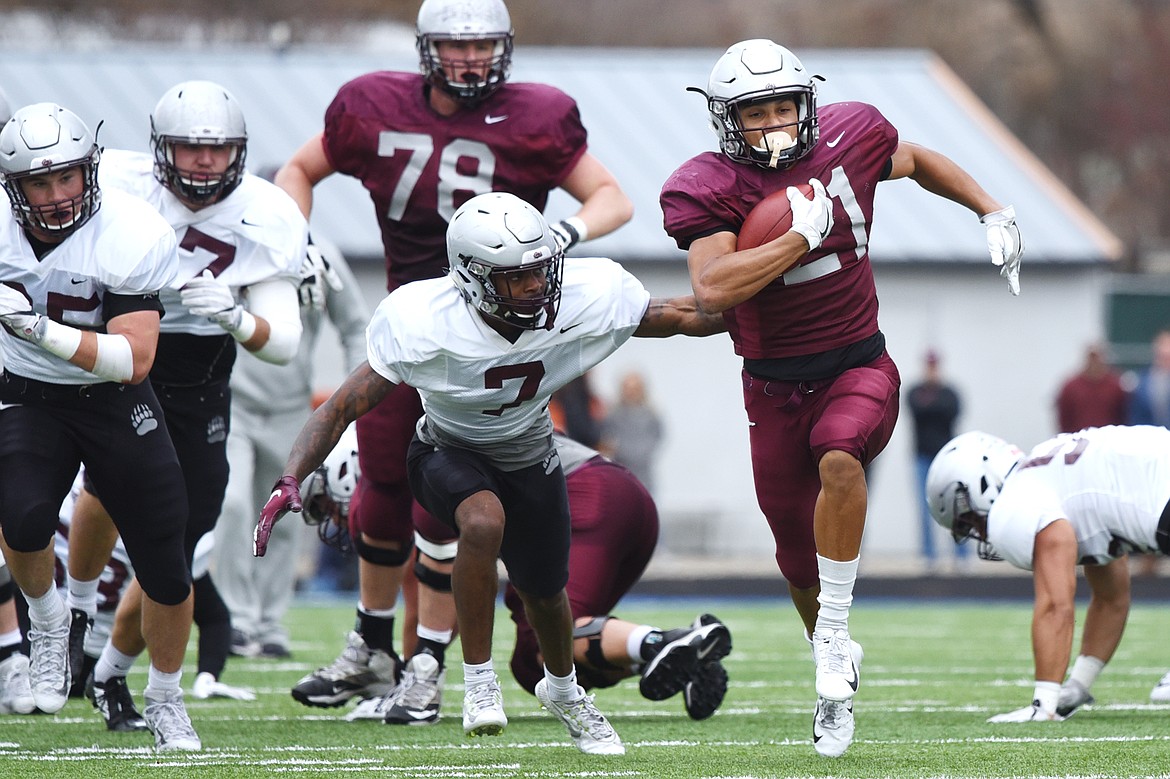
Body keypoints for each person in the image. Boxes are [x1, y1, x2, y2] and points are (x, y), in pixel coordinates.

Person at [253, 192, 724, 754]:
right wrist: (290, 477)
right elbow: (340, 409)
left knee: (546, 597)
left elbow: (687, 314)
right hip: (445, 448)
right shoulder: (424, 319)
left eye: (540, 271)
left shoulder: (583, 295)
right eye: (517, 277)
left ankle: (565, 692)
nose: (535, 287)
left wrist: (768, 295)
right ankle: (479, 683)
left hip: (529, 452)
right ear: (471, 278)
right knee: (480, 521)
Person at [659, 39, 1024, 758]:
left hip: (860, 365)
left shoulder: (851, 135)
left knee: (839, 457)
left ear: (808, 104)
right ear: (727, 121)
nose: (771, 124)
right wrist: (797, 238)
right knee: (796, 557)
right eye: (754, 112)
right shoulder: (706, 185)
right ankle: (830, 648)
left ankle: (832, 639)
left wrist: (991, 207)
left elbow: (915, 160)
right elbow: (713, 289)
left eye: (782, 108)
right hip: (770, 389)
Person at [274, 0, 634, 697]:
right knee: (379, 482)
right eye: (454, 45)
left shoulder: (536, 115)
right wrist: (295, 245)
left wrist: (563, 235)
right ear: (425, 48)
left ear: (505, 48)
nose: (470, 59)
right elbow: (298, 169)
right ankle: (373, 645)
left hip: (498, 332)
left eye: (483, 45)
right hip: (413, 320)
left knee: (451, 499)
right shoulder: (372, 104)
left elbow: (612, 198)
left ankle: (430, 660)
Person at [61, 80, 306, 731]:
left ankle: (106, 663)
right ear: (159, 149)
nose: (204, 161)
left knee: (181, 538)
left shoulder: (268, 212)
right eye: (189, 148)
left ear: (240, 151)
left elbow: (283, 343)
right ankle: (78, 612)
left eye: (218, 148)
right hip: (123, 354)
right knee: (111, 486)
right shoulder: (115, 181)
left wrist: (237, 316)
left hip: (201, 374)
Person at [0, 102, 199, 748]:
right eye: (39, 182)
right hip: (27, 394)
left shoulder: (130, 229)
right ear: (14, 187)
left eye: (67, 178)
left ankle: (166, 699)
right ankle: (50, 618)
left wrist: (35, 326)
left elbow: (133, 358)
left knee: (167, 562)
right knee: (22, 516)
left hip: (113, 396)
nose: (57, 196)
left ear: (91, 170)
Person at [343, 432, 731, 725]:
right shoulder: (467, 422)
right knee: (532, 666)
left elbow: (436, 601)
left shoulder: (433, 456)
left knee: (543, 645)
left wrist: (414, 678)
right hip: (620, 497)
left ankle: (659, 643)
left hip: (588, 497)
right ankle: (676, 656)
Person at [925, 425, 1170, 721]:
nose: (979, 531)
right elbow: (1111, 599)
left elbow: (1056, 604)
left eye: (970, 520)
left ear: (981, 481)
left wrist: (1044, 702)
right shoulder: (1059, 483)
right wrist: (1077, 686)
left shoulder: (1019, 499)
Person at [213, 237, 369, 659]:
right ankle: (236, 619)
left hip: (290, 408)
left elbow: (356, 326)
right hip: (232, 402)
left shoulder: (320, 251)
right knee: (232, 505)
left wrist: (357, 397)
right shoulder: (227, 242)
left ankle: (269, 621)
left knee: (283, 516)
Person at [53, 473, 255, 733]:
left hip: (42, 647)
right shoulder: (170, 512)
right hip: (87, 657)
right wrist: (208, 675)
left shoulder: (59, 487)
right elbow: (214, 616)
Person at [906, 350, 966, 572]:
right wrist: (933, 408)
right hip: (922, 458)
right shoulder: (915, 391)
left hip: (947, 458)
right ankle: (929, 556)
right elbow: (918, 411)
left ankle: (961, 555)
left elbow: (950, 412)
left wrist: (931, 407)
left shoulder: (949, 392)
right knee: (925, 508)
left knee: (954, 505)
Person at [599, 371, 664, 493]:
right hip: (621, 468)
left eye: (635, 389)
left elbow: (658, 435)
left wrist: (644, 451)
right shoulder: (613, 414)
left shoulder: (651, 414)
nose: (631, 393)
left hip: (644, 471)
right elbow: (607, 437)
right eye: (628, 389)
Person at [1055, 343, 1127, 434]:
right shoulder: (1071, 387)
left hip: (1108, 440)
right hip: (1080, 439)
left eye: (1097, 357)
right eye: (1091, 357)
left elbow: (1123, 415)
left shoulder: (1115, 385)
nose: (1094, 361)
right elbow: (1065, 418)